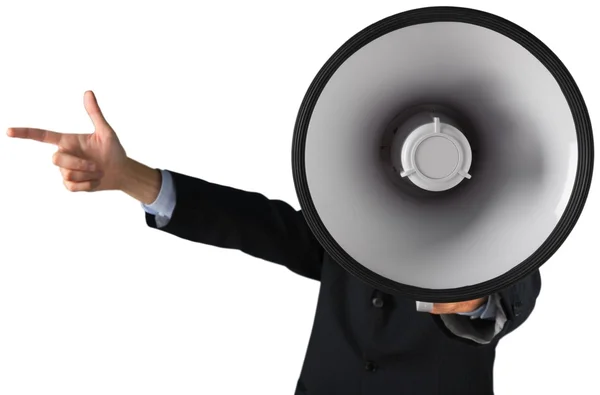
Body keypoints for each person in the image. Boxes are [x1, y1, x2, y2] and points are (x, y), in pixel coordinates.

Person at [7, 91, 541, 395]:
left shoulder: (507, 244)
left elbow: (512, 296)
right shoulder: (348, 229)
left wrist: (475, 301)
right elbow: (260, 224)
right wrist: (132, 178)